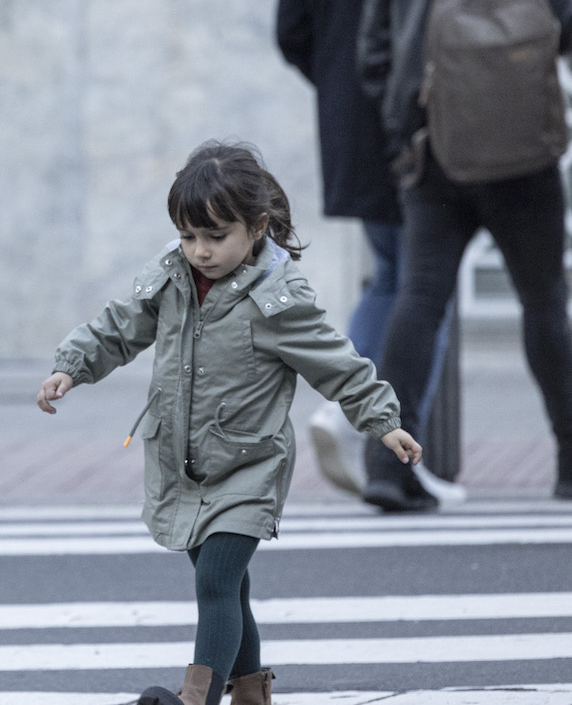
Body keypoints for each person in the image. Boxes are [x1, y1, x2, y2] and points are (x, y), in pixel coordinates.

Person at [38, 142, 418, 705]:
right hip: (183, 466)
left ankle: (197, 700)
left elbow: (334, 359)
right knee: (230, 592)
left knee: (215, 581)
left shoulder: (276, 300)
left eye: (216, 237)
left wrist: (381, 420)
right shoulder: (170, 279)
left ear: (258, 227)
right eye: (189, 236)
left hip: (249, 466)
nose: (200, 251)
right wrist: (70, 367)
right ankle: (250, 697)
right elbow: (117, 327)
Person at [358, 0, 572, 513]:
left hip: (433, 153)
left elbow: (373, 54)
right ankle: (570, 461)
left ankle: (387, 465)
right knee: (545, 302)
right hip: (523, 156)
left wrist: (403, 135)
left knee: (418, 299)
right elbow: (563, 28)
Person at [274, 0, 462, 500]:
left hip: (352, 127)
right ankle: (381, 440)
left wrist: (344, 93)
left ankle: (343, 410)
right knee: (424, 286)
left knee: (393, 274)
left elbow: (291, 30)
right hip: (427, 125)